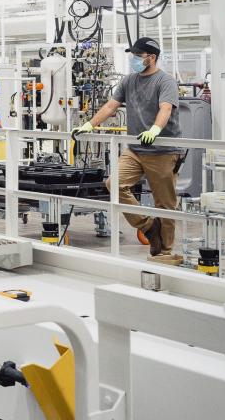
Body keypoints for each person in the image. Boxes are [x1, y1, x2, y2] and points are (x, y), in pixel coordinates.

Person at [74, 36, 183, 264]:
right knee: (114, 185)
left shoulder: (166, 81)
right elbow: (110, 106)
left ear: (151, 58)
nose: (134, 60)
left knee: (165, 204)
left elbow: (165, 109)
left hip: (162, 150)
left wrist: (154, 129)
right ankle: (149, 226)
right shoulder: (128, 81)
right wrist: (88, 125)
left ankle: (164, 251)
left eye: (138, 56)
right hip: (135, 149)